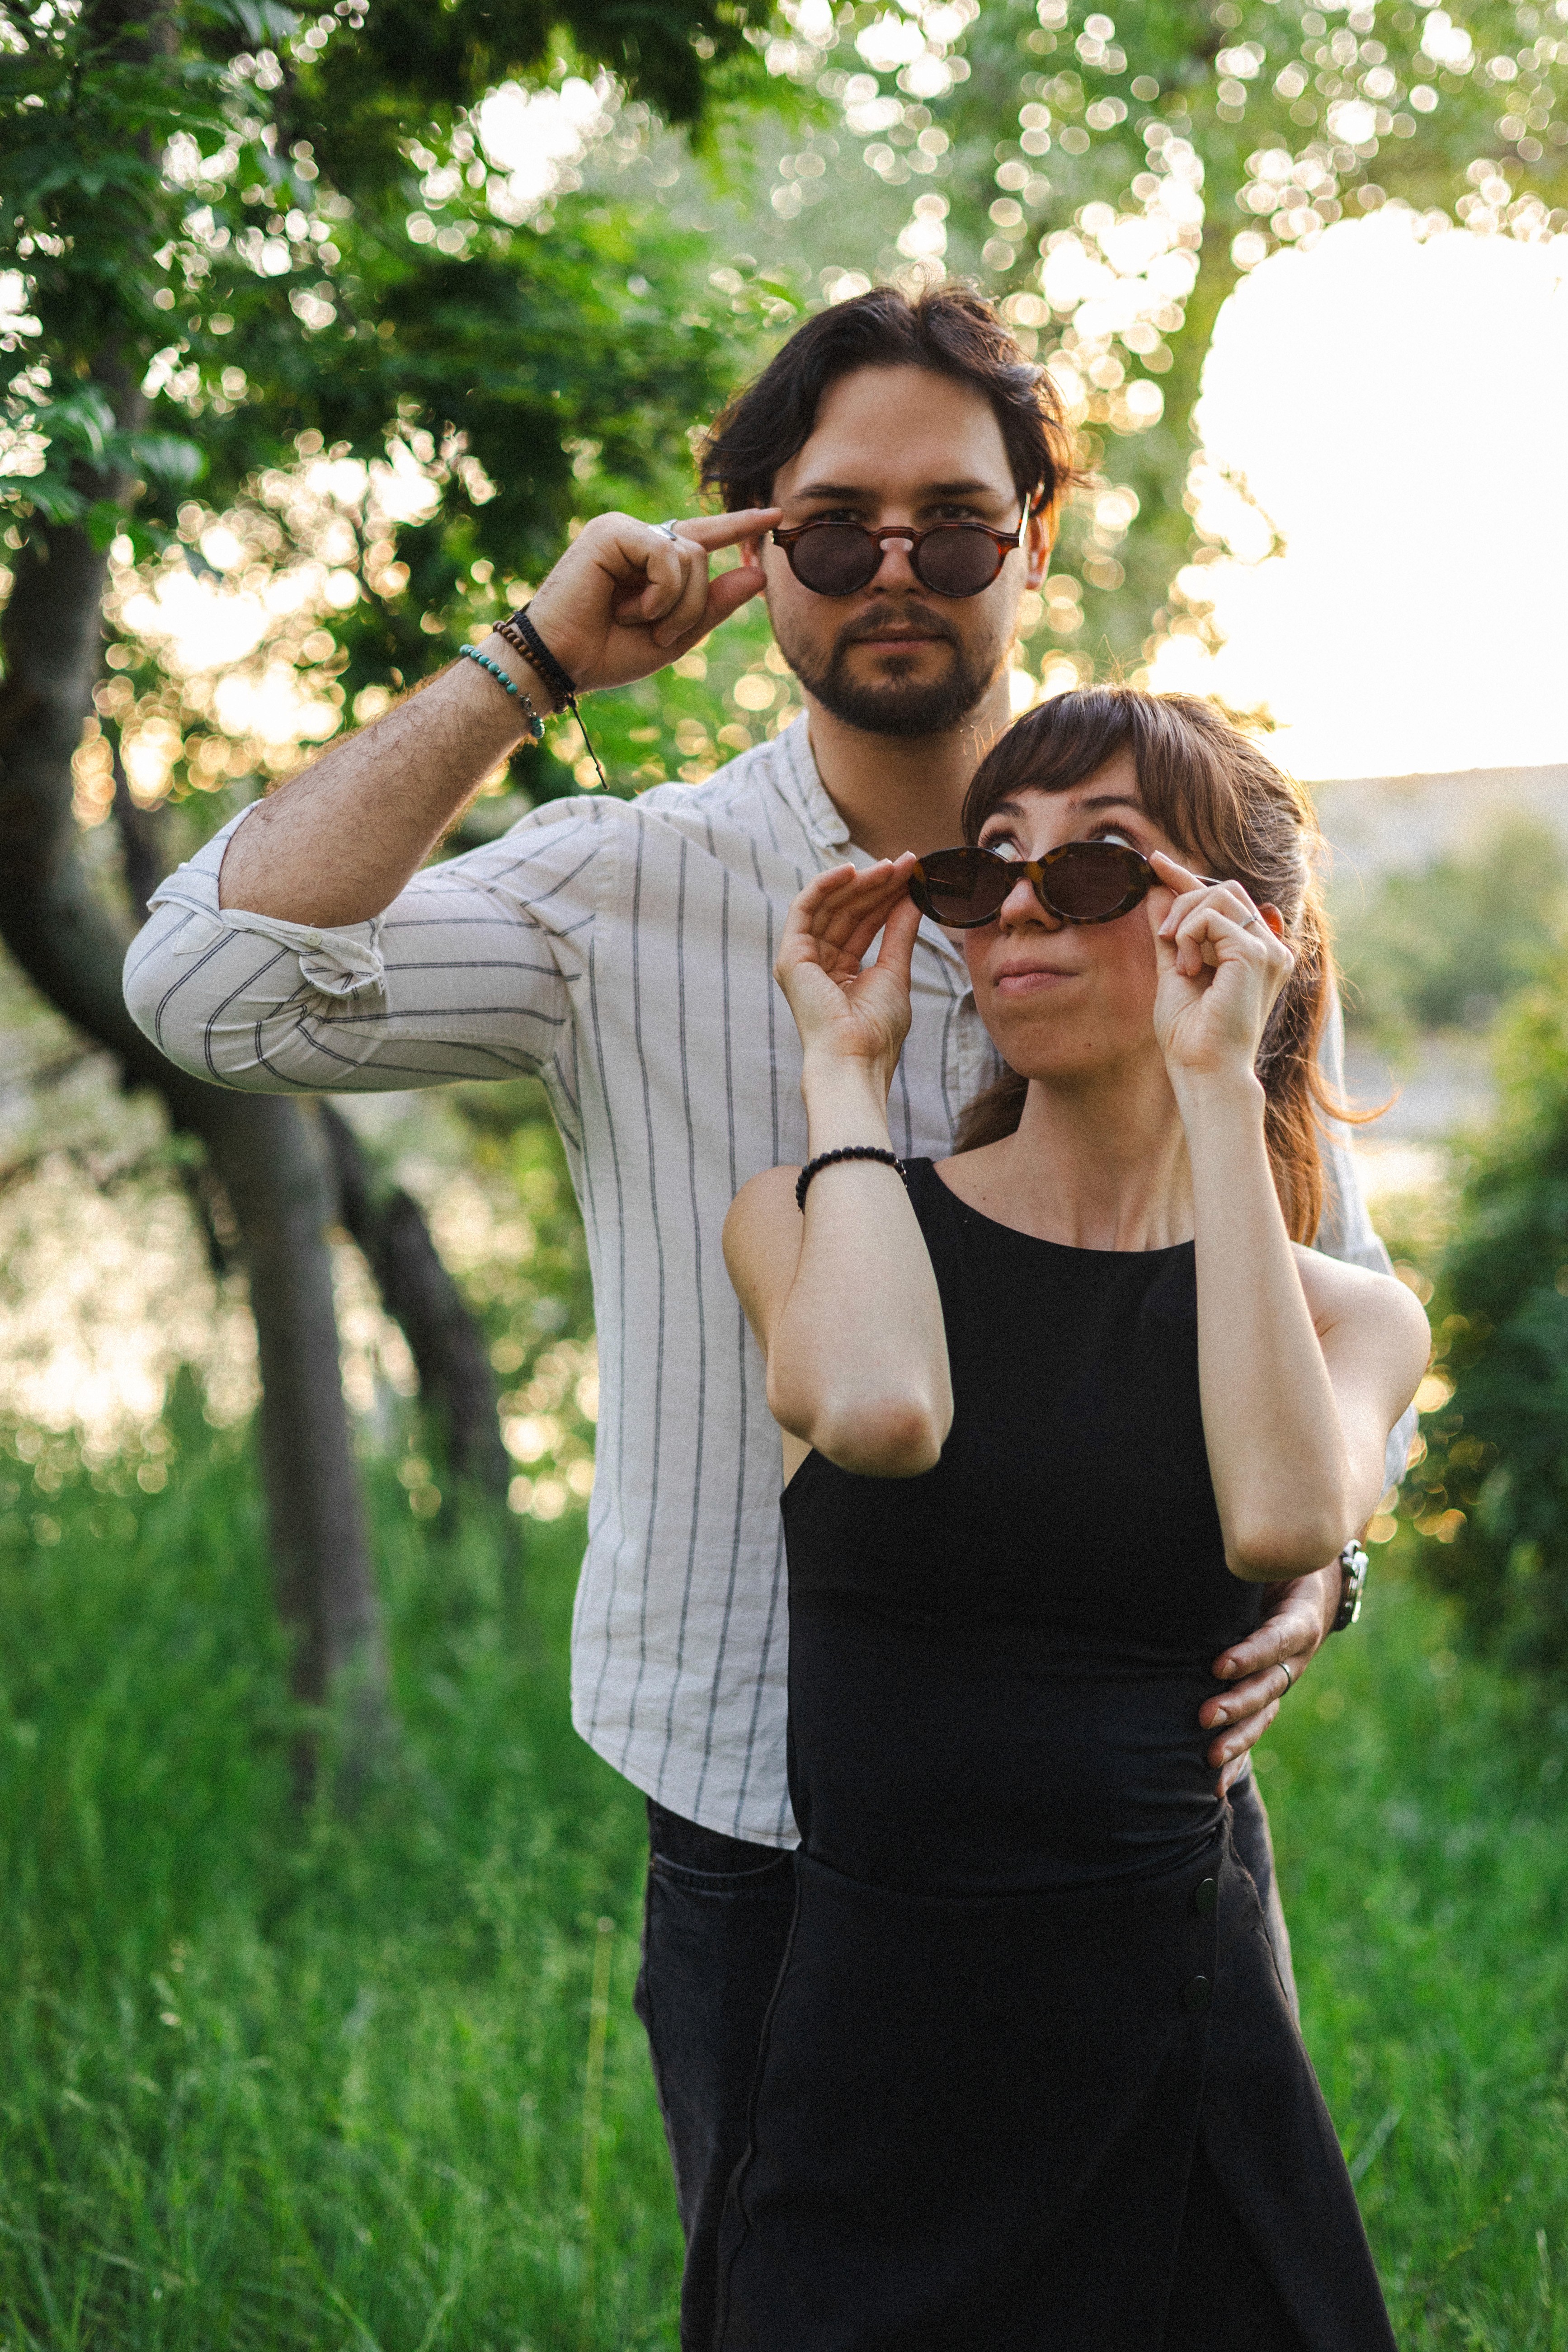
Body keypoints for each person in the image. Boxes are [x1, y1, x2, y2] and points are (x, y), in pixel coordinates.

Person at [121, 287, 1410, 2347]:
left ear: (1037, 546)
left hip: (1126, 1814)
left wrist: (1320, 1560)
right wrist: (529, 665)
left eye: (955, 524)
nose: (896, 568)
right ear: (755, 552)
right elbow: (206, 992)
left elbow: (1320, 1249)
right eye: (835, 525)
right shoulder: (614, 892)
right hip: (767, 1813)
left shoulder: (1173, 887)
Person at [719, 686, 1428, 2350]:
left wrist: (1213, 1081)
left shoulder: (1348, 1318)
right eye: (985, 871)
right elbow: (885, 1412)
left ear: (1232, 931)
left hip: (1173, 2036)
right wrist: (845, 1061)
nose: (1022, 905)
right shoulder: (813, 1211)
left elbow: (1277, 1514)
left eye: (1099, 867)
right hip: (876, 2043)